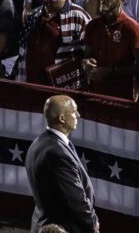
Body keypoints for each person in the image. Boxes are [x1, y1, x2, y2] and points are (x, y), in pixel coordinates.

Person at [24, 94, 98, 233]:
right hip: (61, 228)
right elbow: (75, 200)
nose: (78, 115)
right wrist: (92, 224)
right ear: (62, 118)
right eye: (73, 111)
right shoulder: (58, 153)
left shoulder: (38, 143)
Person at [82, 0, 139, 101]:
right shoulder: (92, 26)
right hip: (95, 94)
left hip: (122, 97)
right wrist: (85, 64)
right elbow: (87, 55)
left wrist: (111, 72)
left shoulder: (132, 28)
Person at [22, 0, 89, 86]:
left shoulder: (78, 17)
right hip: (32, 83)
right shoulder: (34, 15)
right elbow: (23, 50)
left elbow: (89, 53)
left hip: (62, 86)